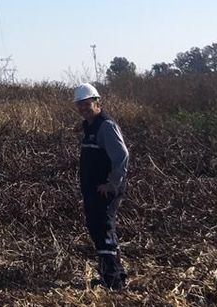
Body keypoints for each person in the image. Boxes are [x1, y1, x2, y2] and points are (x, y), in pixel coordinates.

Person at [73, 83, 129, 289]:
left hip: (105, 190)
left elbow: (122, 156)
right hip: (93, 189)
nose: (83, 108)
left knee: (104, 229)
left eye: (87, 104)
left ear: (97, 103)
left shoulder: (105, 125)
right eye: (80, 105)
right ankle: (112, 273)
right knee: (98, 229)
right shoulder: (90, 125)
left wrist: (112, 184)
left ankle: (113, 280)